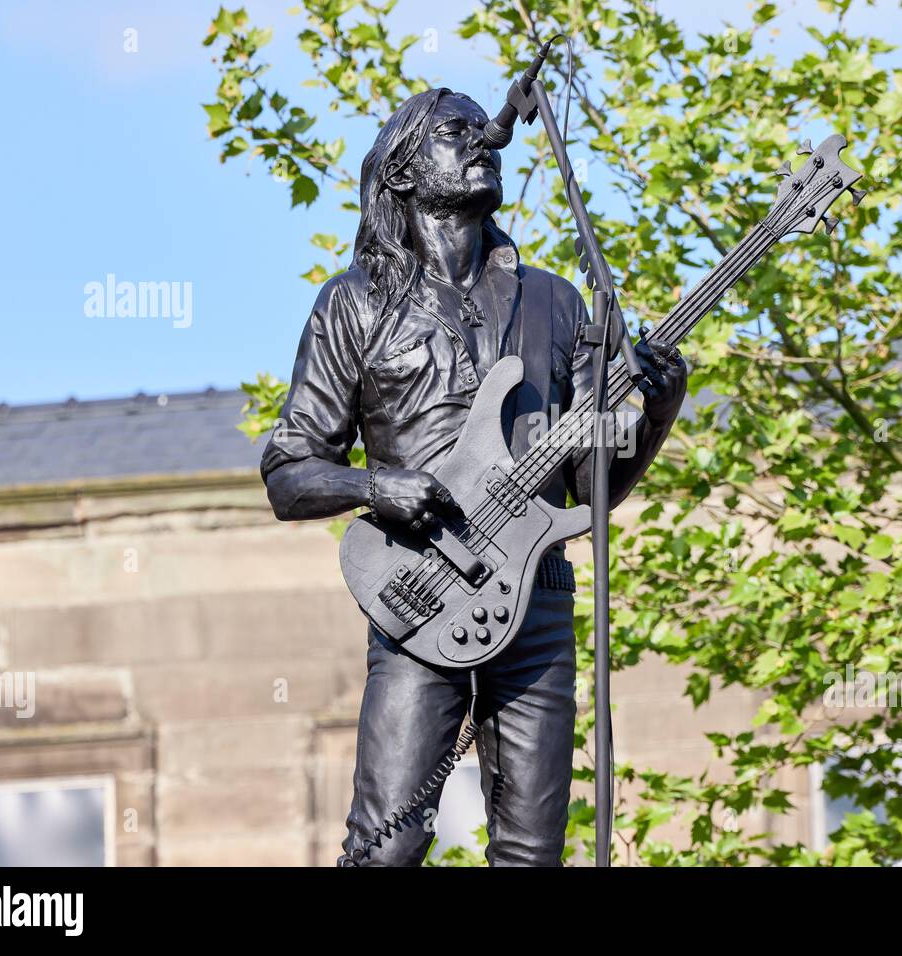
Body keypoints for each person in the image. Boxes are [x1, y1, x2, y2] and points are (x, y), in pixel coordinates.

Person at [260, 87, 687, 866]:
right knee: (384, 847)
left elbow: (591, 485)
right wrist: (375, 488)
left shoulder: (556, 302)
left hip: (540, 604)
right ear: (402, 170)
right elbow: (289, 472)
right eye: (455, 134)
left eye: (480, 132)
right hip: (417, 599)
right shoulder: (354, 305)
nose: (480, 143)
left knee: (533, 854)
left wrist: (657, 409)